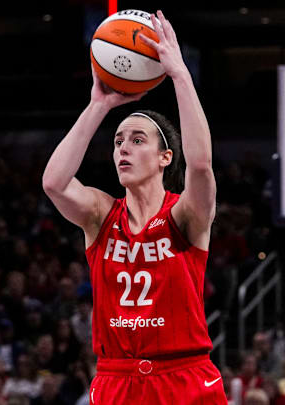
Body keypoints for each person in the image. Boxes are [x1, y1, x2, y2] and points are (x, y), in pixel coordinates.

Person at [41, 10, 226, 404]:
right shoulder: (100, 214)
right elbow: (54, 183)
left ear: (164, 157)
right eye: (118, 141)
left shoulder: (185, 216)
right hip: (117, 378)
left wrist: (180, 76)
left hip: (184, 376)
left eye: (137, 140)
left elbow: (201, 164)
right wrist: (98, 106)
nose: (123, 147)